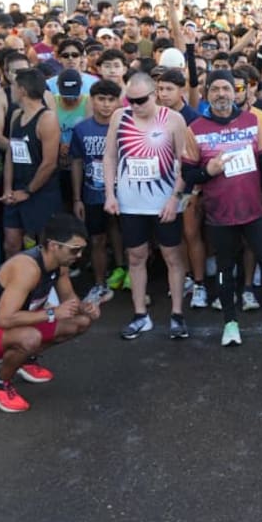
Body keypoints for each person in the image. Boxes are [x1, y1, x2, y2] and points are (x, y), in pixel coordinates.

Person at [182, 70, 262, 345]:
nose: (221, 94)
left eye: (226, 89)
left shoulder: (252, 121)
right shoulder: (195, 129)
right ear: (207, 94)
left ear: (236, 92)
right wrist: (208, 170)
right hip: (219, 214)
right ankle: (230, 323)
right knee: (224, 268)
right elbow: (189, 175)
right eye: (215, 89)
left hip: (254, 210)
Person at [0, 214, 101, 413]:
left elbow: (70, 302)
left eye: (81, 249)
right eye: (74, 249)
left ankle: (24, 360)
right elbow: (4, 319)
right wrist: (53, 313)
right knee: (30, 338)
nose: (79, 255)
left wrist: (86, 307)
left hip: (20, 324)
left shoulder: (60, 265)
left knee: (81, 322)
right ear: (54, 246)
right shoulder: (27, 268)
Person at [103, 72, 191, 339]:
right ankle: (140, 314)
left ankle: (177, 314)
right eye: (130, 100)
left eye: (141, 100)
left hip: (163, 202)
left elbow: (183, 163)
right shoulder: (120, 116)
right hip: (131, 204)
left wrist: (175, 198)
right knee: (136, 257)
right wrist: (110, 194)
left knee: (172, 258)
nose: (135, 106)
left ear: (155, 95)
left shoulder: (173, 119)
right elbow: (109, 156)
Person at [70, 79, 123, 305]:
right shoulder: (82, 129)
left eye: (111, 100)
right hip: (92, 194)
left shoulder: (125, 127)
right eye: (101, 99)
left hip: (123, 194)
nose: (106, 105)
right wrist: (77, 198)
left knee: (123, 235)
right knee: (97, 239)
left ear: (118, 102)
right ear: (92, 101)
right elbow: (76, 163)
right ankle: (100, 284)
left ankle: (126, 274)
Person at [0, 67, 61, 258]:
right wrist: (8, 189)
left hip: (41, 191)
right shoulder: (17, 116)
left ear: (23, 90)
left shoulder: (47, 119)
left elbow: (49, 163)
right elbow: (11, 152)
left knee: (45, 246)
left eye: (14, 86)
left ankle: (46, 285)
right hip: (17, 189)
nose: (11, 90)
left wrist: (27, 192)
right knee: (11, 243)